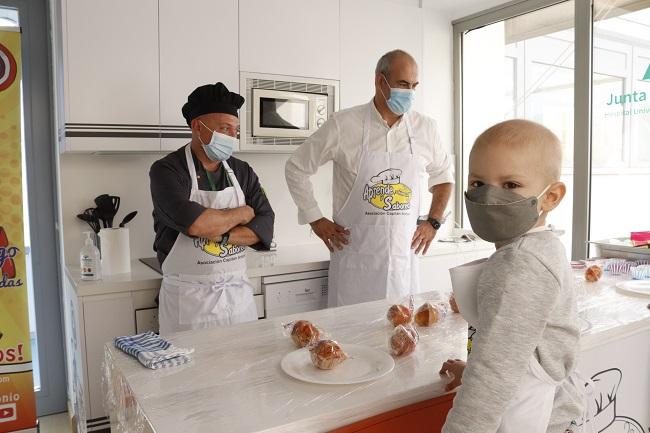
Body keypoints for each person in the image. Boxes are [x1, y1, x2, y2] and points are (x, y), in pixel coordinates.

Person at [440, 119, 585, 433]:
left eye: (510, 185)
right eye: (478, 183)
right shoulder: (542, 247)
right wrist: (471, 369)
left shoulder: (521, 264)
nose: (490, 196)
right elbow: (519, 349)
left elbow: (495, 372)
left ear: (551, 197)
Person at [285, 49, 454, 307]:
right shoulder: (343, 125)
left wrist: (433, 222)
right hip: (355, 266)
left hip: (402, 267)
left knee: (402, 338)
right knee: (351, 342)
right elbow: (296, 167)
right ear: (379, 81)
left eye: (413, 86)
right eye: (402, 84)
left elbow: (443, 176)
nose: (409, 92)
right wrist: (315, 219)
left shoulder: (425, 128)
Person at [150, 82, 275, 335]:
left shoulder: (242, 171)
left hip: (238, 300)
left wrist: (221, 234)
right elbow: (196, 224)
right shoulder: (167, 171)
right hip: (189, 303)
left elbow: (265, 226)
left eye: (235, 130)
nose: (231, 136)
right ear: (197, 126)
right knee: (190, 374)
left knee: (245, 371)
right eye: (224, 128)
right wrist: (241, 213)